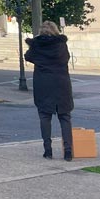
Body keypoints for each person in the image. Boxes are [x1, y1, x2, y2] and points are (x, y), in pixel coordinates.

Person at [25, 20, 74, 161]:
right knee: (65, 117)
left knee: (45, 117)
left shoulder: (37, 45)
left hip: (43, 83)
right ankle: (68, 151)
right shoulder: (61, 45)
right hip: (61, 83)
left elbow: (28, 56)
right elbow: (66, 58)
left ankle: (48, 150)